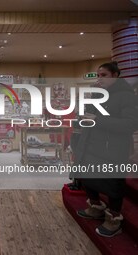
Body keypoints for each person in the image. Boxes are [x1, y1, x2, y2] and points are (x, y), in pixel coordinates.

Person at [74, 62, 138, 237]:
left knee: (113, 184)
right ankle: (95, 208)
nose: (100, 78)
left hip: (113, 149)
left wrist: (97, 119)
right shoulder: (98, 94)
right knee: (88, 178)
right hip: (91, 145)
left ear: (116, 75)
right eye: (98, 75)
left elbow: (130, 124)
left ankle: (113, 220)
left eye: (104, 75)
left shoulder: (126, 95)